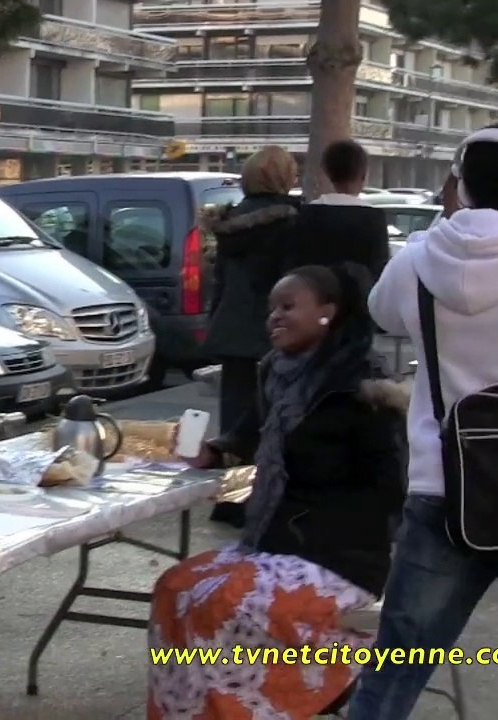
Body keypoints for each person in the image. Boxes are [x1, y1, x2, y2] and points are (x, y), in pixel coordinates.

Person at [346, 122, 498, 718]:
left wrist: (447, 222)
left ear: (458, 184)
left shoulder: (416, 266)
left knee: (393, 675)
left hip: (440, 496)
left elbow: (381, 311)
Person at [152, 264, 407, 720]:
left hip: (337, 555)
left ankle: (268, 704)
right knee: (174, 588)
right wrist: (214, 452)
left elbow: (391, 489)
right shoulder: (276, 372)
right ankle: (187, 711)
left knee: (225, 603)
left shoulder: (363, 388)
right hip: (273, 543)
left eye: (288, 307)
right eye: (271, 308)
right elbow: (252, 434)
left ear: (328, 313)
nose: (274, 317)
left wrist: (323, 507)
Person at [200, 145, 300, 527]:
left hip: (232, 330)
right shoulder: (289, 222)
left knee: (233, 421)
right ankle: (266, 501)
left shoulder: (230, 222)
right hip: (271, 331)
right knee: (272, 418)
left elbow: (221, 282)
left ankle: (231, 501)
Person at [290, 139, 390, 280]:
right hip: (359, 298)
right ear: (363, 174)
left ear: (328, 172)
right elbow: (379, 271)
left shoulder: (307, 213)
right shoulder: (374, 218)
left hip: (316, 296)